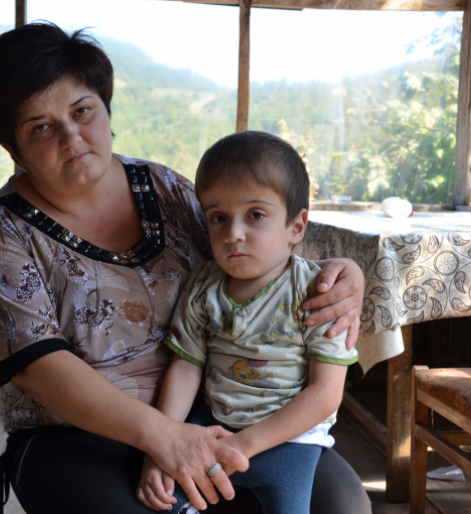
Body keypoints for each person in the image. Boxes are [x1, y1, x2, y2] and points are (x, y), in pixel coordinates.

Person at [0, 21, 372, 514]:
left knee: (340, 502)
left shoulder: (165, 189)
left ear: (106, 109)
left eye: (82, 110)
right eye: (40, 127)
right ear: (12, 148)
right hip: (77, 438)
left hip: (215, 413)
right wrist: (165, 438)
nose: (71, 136)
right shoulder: (1, 229)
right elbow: (38, 367)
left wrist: (340, 272)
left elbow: (255, 253)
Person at [137, 131, 358, 514]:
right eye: (218, 218)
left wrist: (244, 445)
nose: (233, 234)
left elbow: (325, 394)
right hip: (211, 426)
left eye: (255, 215)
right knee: (165, 502)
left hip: (290, 437)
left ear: (296, 226)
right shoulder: (202, 287)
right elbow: (186, 368)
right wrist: (159, 451)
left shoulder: (319, 293)